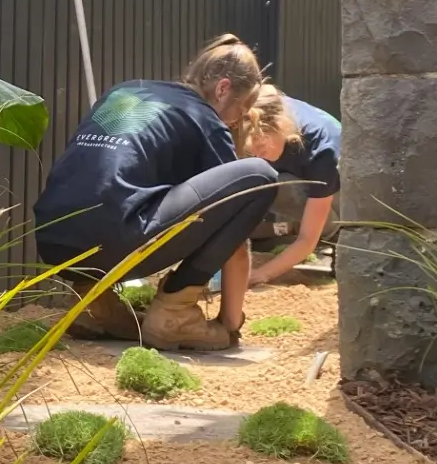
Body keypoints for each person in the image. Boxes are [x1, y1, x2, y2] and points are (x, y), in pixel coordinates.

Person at [33, 35, 278, 351]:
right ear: (223, 89)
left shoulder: (127, 90)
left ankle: (94, 302)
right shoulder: (205, 119)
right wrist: (231, 324)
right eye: (241, 109)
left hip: (53, 242)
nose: (235, 121)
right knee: (260, 176)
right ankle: (176, 314)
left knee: (116, 201)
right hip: (113, 241)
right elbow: (234, 223)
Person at [238, 84, 341, 286]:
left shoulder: (320, 152)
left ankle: (334, 234)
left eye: (260, 146)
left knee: (288, 192)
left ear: (280, 125)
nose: (257, 154)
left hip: (340, 186)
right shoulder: (263, 108)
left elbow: (307, 239)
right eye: (251, 150)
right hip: (295, 170)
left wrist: (260, 274)